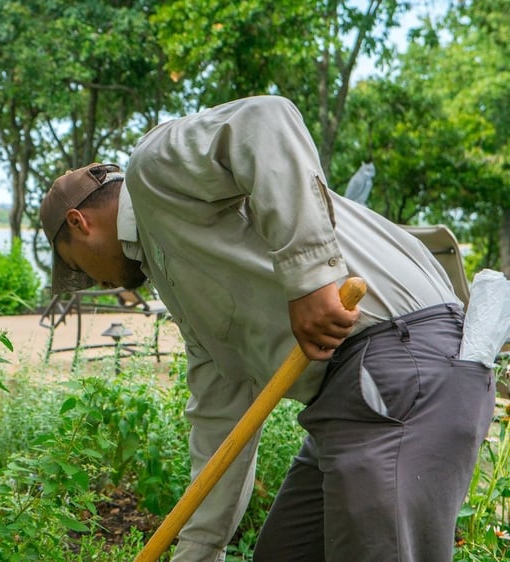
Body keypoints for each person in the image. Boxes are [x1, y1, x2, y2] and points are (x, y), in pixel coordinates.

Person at [39, 95, 495, 562]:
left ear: (80, 222)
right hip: (346, 397)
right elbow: (221, 413)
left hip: (401, 364)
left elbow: (264, 119)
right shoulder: (178, 272)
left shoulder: (153, 172)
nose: (97, 282)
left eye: (79, 266)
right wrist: (199, 547)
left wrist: (312, 278)